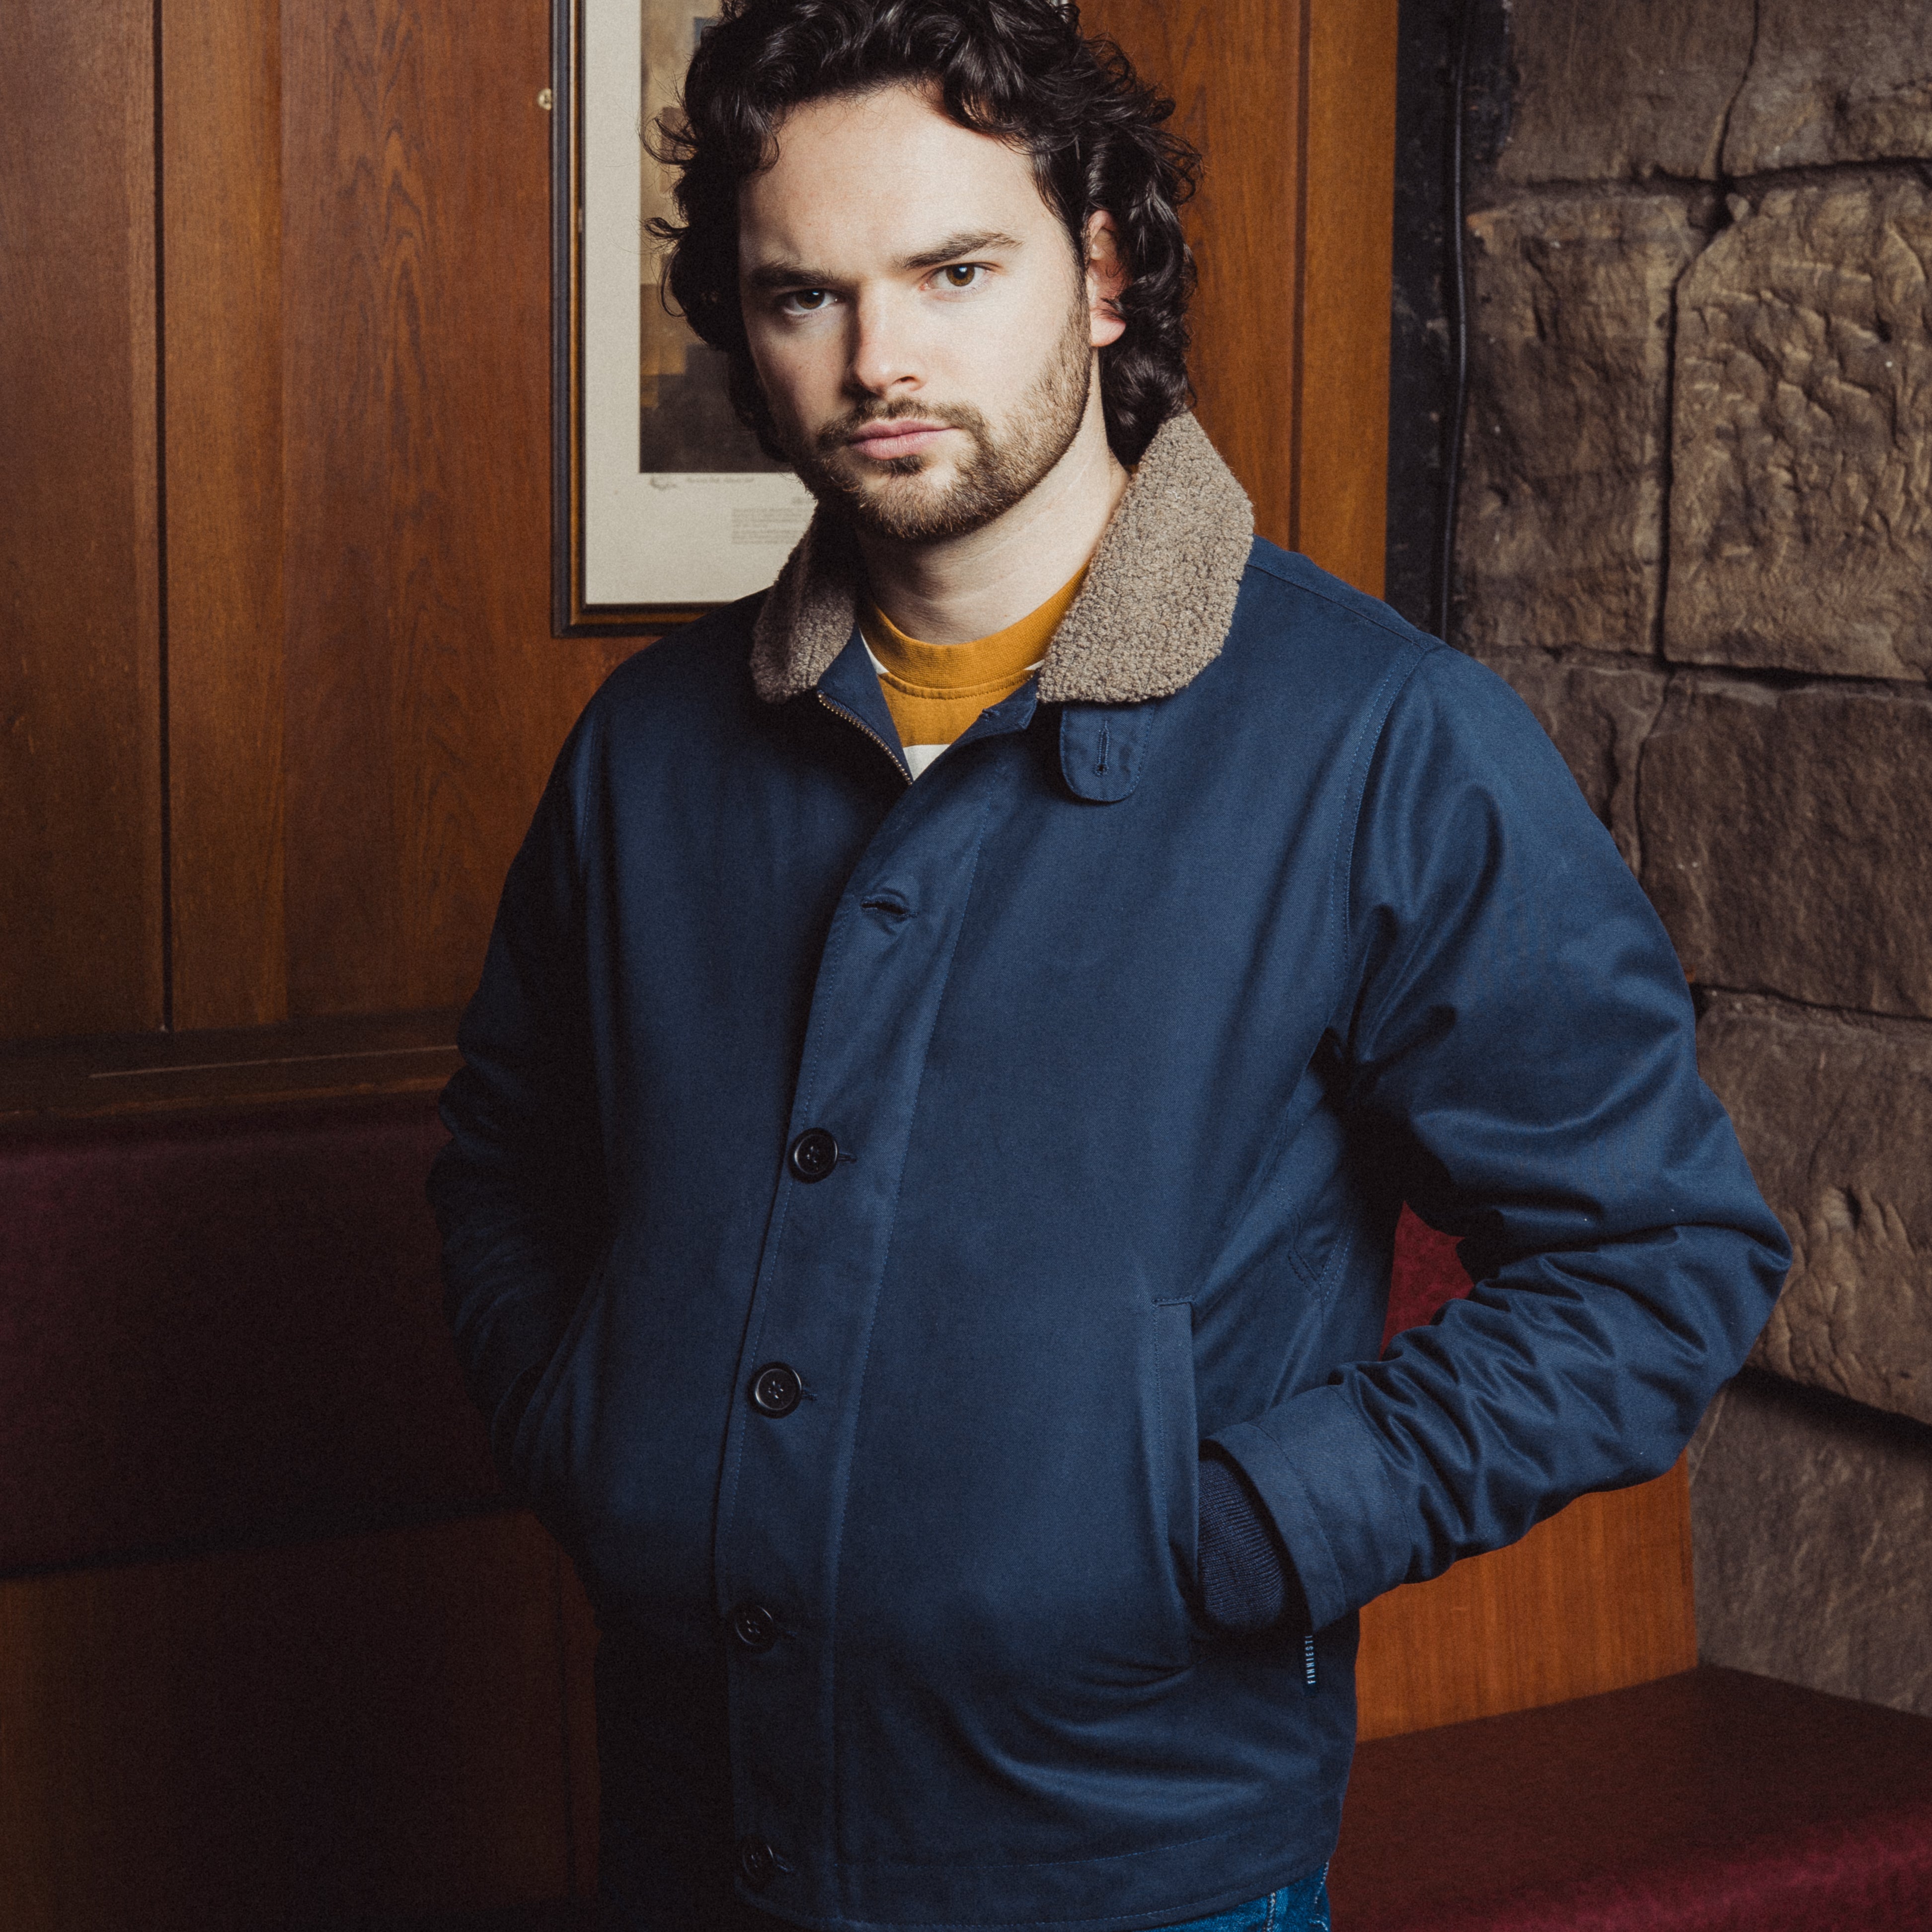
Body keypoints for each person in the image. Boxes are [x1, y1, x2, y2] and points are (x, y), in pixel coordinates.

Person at [430, 3, 1789, 1928]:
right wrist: (597, 1433)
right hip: (689, 1828)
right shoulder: (647, 751)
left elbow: (1665, 1261)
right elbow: (505, 1156)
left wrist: (1231, 1529)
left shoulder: (1382, 740)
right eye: (802, 294)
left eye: (952, 270)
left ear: (1100, 271)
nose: (877, 357)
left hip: (1133, 1862)